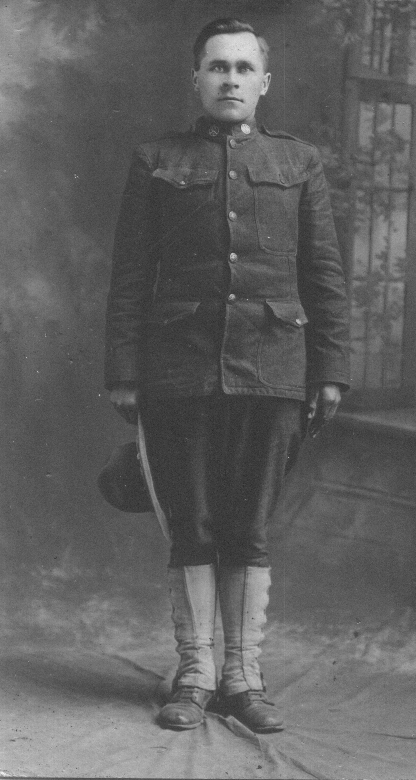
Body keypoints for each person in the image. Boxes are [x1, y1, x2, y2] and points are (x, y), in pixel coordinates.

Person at [104, 18, 350, 733]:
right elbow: (129, 274)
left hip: (274, 367)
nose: (231, 79)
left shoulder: (298, 161)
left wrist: (330, 370)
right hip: (177, 367)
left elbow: (324, 275)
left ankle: (243, 676)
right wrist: (124, 371)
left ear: (264, 82)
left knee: (250, 526)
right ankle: (195, 674)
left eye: (244, 68)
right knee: (192, 523)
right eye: (218, 67)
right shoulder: (156, 159)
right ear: (197, 79)